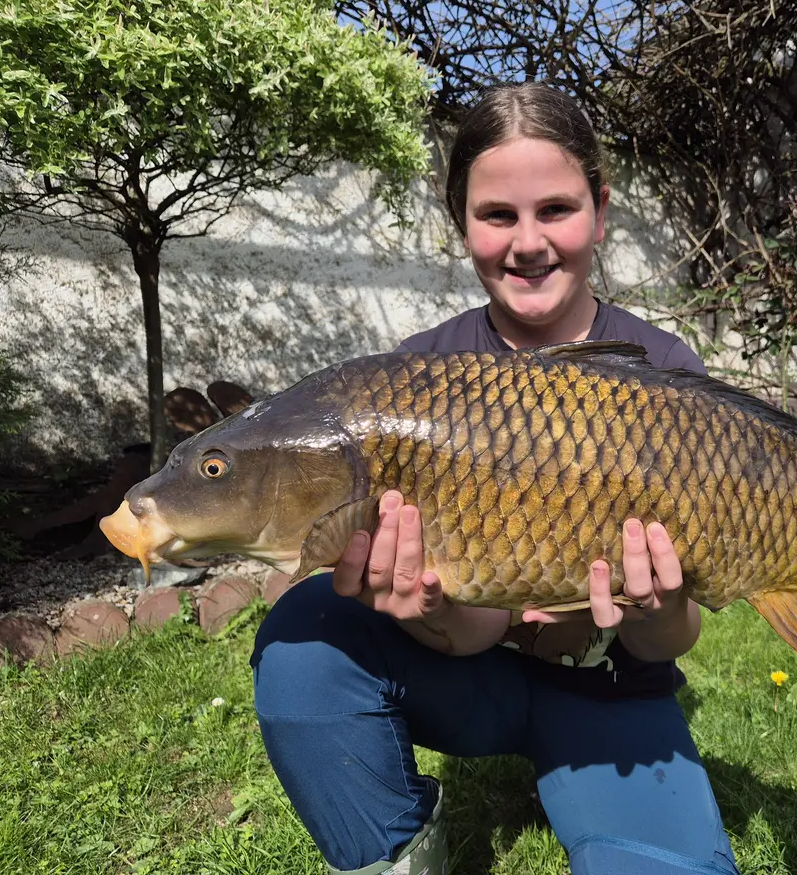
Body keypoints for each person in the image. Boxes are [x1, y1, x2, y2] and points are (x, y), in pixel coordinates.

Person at [251, 82, 739, 875]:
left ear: (600, 210)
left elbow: (672, 638)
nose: (529, 242)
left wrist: (658, 606)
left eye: (556, 209)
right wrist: (420, 607)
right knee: (304, 640)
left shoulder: (664, 375)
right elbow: (471, 629)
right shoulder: (410, 380)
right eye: (497, 216)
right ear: (462, 224)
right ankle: (396, 849)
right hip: (468, 680)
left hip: (615, 685)